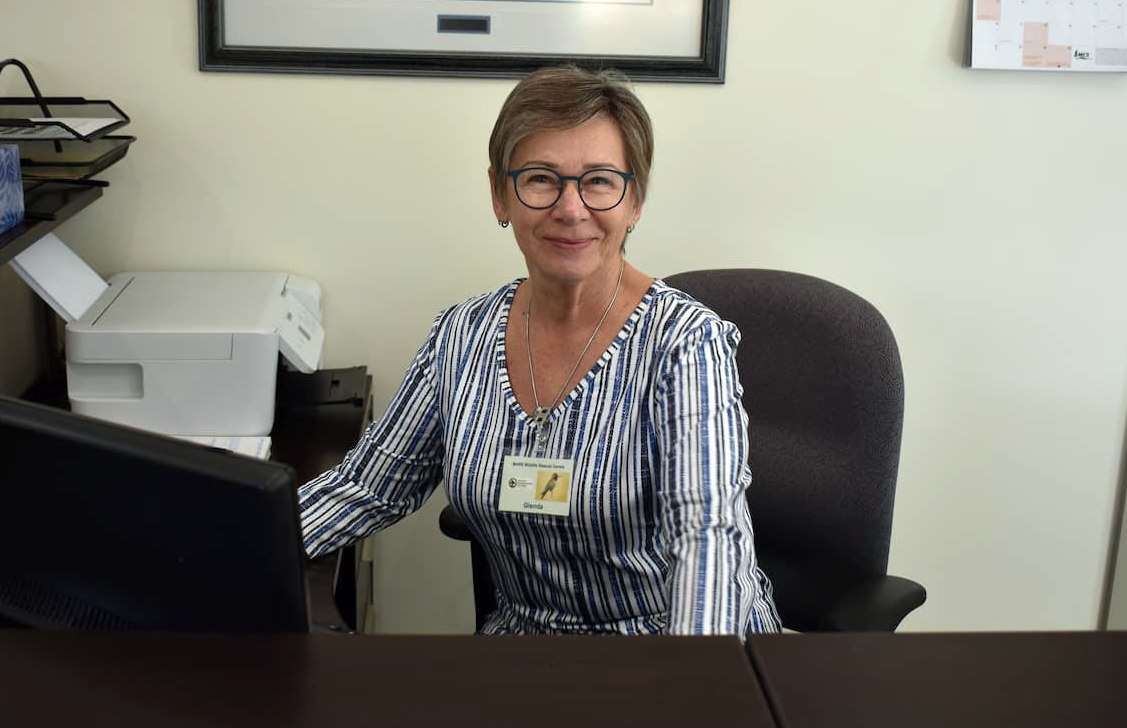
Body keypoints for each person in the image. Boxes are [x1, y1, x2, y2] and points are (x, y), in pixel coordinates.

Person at [299, 65, 781, 636]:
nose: (570, 209)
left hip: (668, 644)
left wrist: (694, 681)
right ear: (500, 195)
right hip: (525, 644)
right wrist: (228, 543)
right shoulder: (462, 336)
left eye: (599, 181)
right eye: (540, 179)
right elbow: (368, 488)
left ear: (635, 201)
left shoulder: (685, 343)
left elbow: (709, 541)